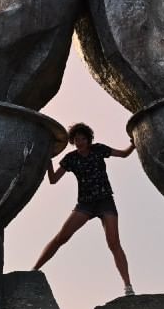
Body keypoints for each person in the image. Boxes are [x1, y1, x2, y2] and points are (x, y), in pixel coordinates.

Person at [32, 122, 137, 296]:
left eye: (82, 138)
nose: (79, 141)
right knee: (61, 237)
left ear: (88, 139)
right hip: (85, 204)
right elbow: (53, 179)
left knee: (114, 243)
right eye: (76, 139)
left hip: (105, 201)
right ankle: (34, 270)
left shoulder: (99, 149)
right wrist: (48, 159)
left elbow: (124, 154)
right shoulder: (71, 158)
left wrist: (133, 144)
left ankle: (128, 286)